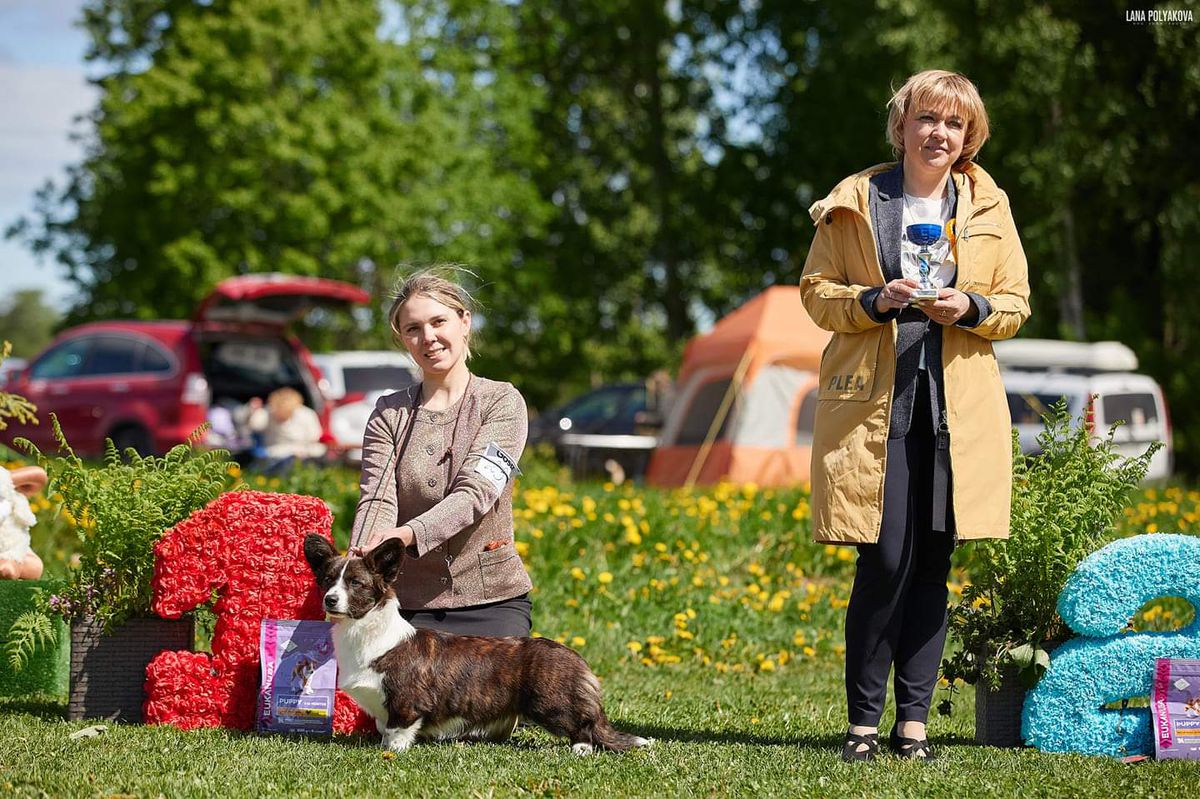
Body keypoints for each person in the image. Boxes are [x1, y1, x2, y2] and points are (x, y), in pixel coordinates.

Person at [799, 70, 1030, 762]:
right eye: (928, 119)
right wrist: (874, 300)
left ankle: (914, 727)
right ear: (901, 126)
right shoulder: (856, 201)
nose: (940, 134)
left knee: (933, 563)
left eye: (955, 125)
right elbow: (816, 295)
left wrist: (973, 308)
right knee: (885, 559)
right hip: (876, 407)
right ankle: (862, 724)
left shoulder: (989, 205)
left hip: (956, 407)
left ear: (969, 137)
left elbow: (1015, 301)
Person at [348, 269, 533, 639]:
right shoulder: (389, 413)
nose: (428, 337)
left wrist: (406, 534)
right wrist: (357, 567)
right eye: (413, 328)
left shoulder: (502, 401)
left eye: (438, 321)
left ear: (465, 322)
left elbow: (476, 493)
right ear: (403, 338)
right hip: (405, 608)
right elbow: (377, 498)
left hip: (491, 601)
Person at [244, 387, 326, 472]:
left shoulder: (307, 415)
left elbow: (315, 437)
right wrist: (254, 411)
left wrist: (302, 451)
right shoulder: (269, 412)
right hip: (275, 454)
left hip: (303, 453)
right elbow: (255, 426)